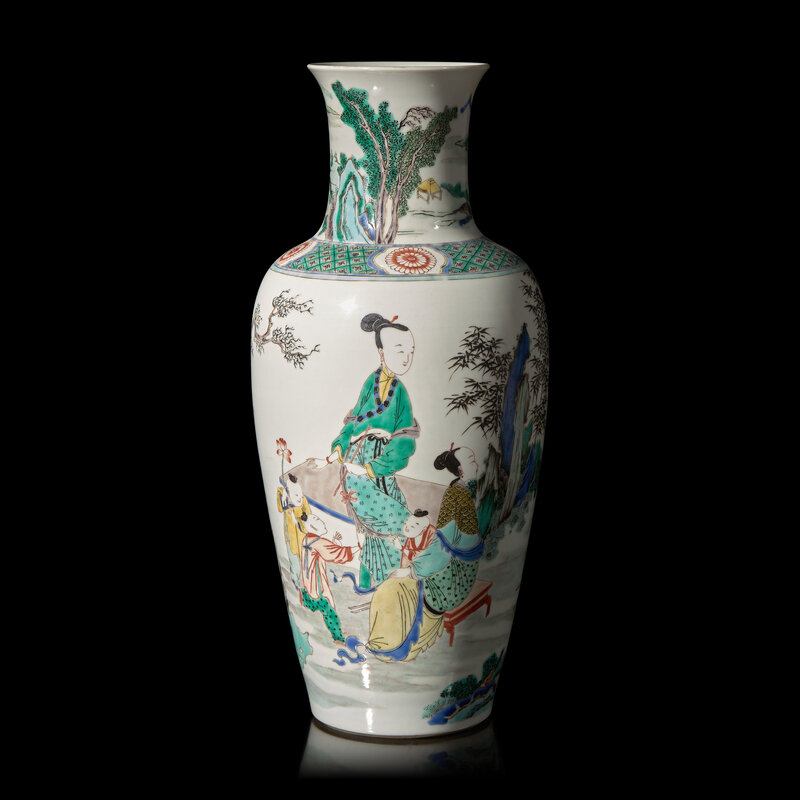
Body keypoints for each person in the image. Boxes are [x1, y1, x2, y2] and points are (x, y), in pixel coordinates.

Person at [308, 313, 419, 590]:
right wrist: (334, 454)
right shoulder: (371, 382)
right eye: (400, 350)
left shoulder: (400, 392)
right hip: (358, 460)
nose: (407, 357)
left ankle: (386, 585)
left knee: (391, 519)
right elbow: (353, 421)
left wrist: (374, 466)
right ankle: (373, 584)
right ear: (382, 353)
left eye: (410, 351)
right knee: (379, 520)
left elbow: (405, 438)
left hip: (380, 465)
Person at [365, 508, 485, 662]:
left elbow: (433, 560)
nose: (408, 527)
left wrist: (409, 570)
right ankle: (382, 640)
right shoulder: (444, 533)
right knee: (389, 589)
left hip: (441, 587)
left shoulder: (446, 533)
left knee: (392, 592)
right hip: (430, 578)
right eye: (407, 523)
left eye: (414, 525)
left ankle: (389, 644)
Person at [277, 473, 310, 584]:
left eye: (299, 494)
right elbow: (280, 508)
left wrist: (304, 516)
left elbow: (307, 513)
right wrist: (283, 495)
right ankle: (295, 580)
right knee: (293, 556)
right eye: (296, 494)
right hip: (290, 534)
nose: (299, 497)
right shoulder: (284, 496)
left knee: (304, 556)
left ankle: (306, 581)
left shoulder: (302, 498)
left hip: (301, 532)